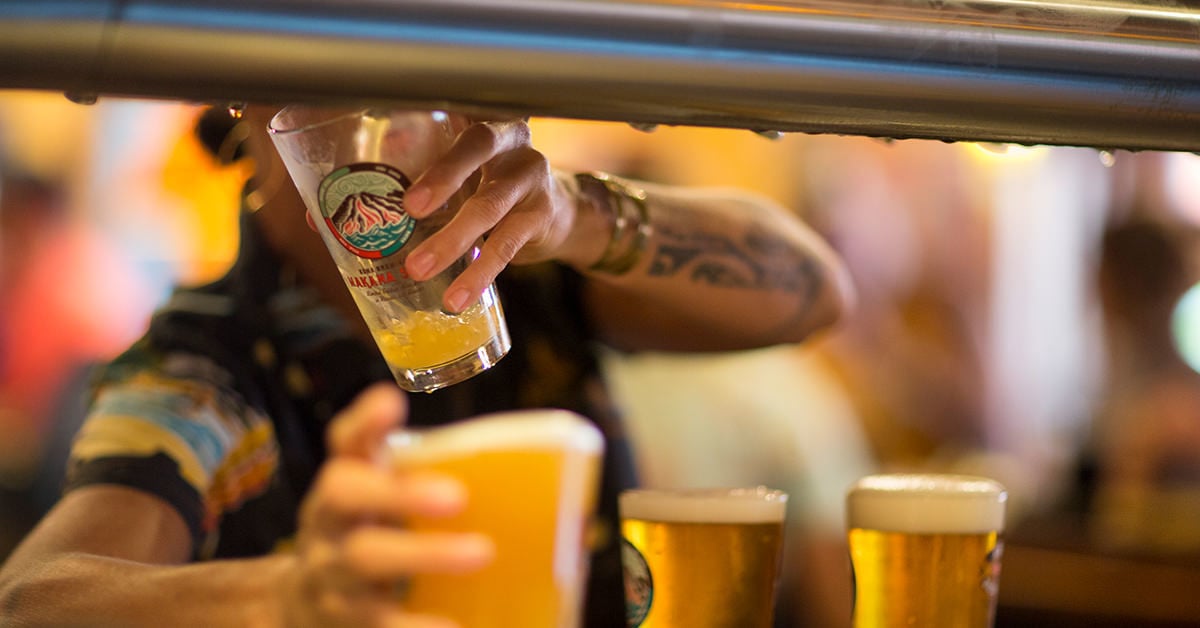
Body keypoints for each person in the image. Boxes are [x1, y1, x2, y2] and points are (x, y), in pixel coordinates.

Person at [0, 104, 853, 627]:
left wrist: (578, 216)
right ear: (245, 110)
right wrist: (280, 600)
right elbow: (30, 601)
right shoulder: (211, 366)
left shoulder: (535, 281)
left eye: (428, 82)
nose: (393, 130)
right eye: (336, 89)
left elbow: (816, 295)